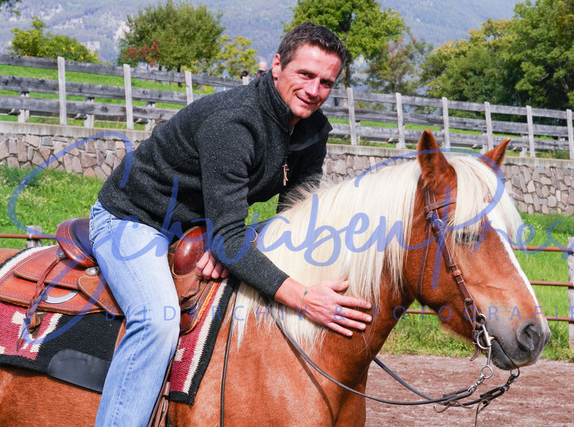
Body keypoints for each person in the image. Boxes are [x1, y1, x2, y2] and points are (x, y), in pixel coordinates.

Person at [89, 22, 373, 426]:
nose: (314, 90)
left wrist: (230, 240)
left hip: (203, 220)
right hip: (135, 218)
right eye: (306, 74)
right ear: (277, 65)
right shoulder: (234, 123)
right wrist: (304, 297)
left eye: (326, 82)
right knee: (157, 320)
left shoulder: (311, 130)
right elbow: (228, 240)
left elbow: (294, 217)